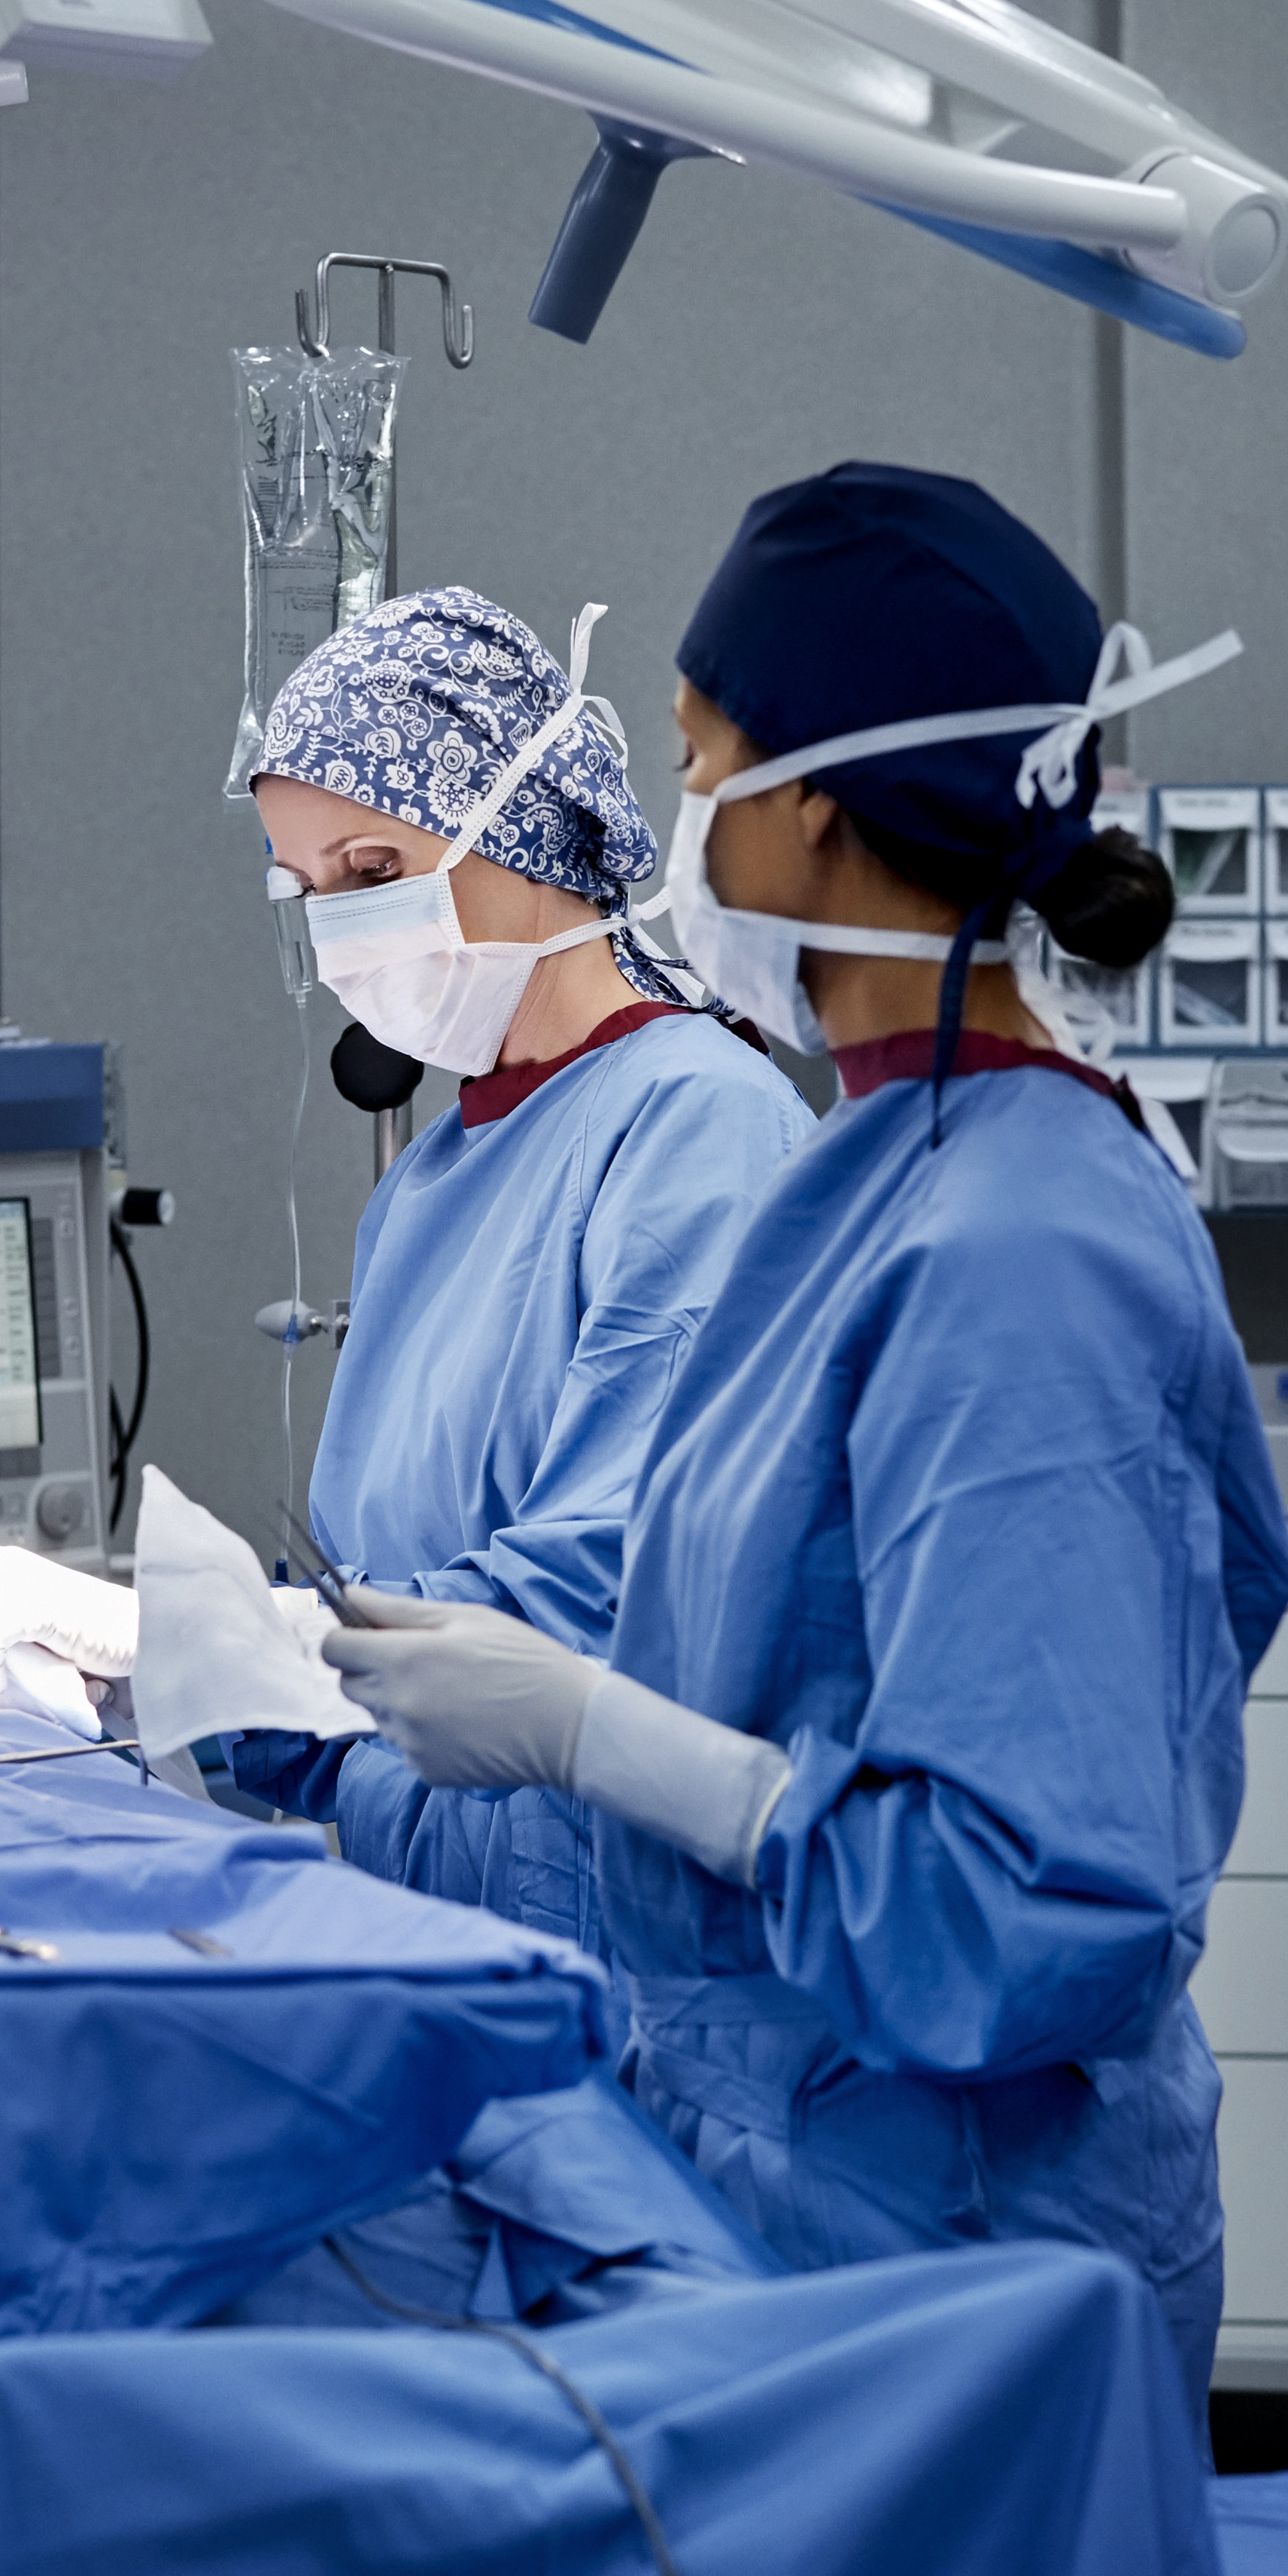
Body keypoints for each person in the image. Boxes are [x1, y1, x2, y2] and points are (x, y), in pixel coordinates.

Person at [314, 463, 1288, 2405]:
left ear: (812, 810)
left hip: (956, 2281)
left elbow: (1028, 1914)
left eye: (696, 768)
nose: (668, 827)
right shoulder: (871, 1165)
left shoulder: (1025, 1252)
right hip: (785, 2190)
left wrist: (606, 1740)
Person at [217, 588, 811, 1946]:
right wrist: (184, 1681)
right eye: (307, 890)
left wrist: (216, 1649)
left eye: (372, 874)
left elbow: (602, 1593)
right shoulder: (427, 1190)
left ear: (527, 831)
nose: (342, 929)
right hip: (432, 1905)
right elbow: (376, 1597)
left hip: (614, 1922)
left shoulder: (699, 1129)